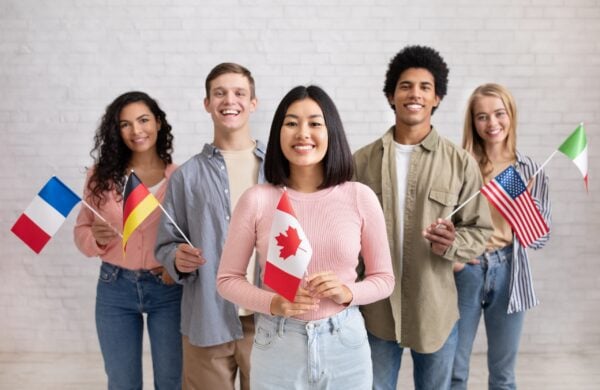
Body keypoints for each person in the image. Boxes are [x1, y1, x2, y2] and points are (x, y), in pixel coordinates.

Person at [217, 85, 395, 389]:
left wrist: (347, 293)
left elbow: (384, 279)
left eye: (314, 123)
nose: (303, 133)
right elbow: (227, 280)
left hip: (345, 345)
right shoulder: (257, 199)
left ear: (331, 132)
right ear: (278, 133)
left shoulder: (359, 196)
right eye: (291, 123)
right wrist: (273, 302)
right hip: (277, 344)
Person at [352, 45, 494, 390]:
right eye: (405, 86)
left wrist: (454, 244)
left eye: (424, 87)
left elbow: (479, 228)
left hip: (435, 309)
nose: (414, 93)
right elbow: (345, 233)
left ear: (437, 98)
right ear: (391, 96)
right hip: (376, 311)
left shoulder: (460, 163)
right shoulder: (362, 162)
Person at [154, 63, 265, 390]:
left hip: (269, 322)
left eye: (239, 93)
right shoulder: (186, 176)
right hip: (207, 320)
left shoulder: (276, 169)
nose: (229, 100)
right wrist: (176, 258)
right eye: (219, 93)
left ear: (253, 103)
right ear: (207, 103)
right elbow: (166, 244)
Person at [73, 91, 182, 390]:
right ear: (116, 130)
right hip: (114, 287)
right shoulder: (101, 177)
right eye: (125, 124)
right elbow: (81, 230)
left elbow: (193, 237)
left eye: (144, 120)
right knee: (122, 381)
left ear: (158, 123)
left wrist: (178, 268)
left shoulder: (180, 177)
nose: (136, 130)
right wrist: (93, 238)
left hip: (168, 290)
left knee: (172, 380)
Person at [451, 83, 552, 390]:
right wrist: (455, 257)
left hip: (510, 270)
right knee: (455, 369)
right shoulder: (460, 164)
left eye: (499, 114)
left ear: (511, 115)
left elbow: (539, 239)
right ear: (473, 121)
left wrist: (527, 204)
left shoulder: (529, 169)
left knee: (503, 375)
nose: (492, 123)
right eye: (482, 116)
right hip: (465, 271)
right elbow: (443, 220)